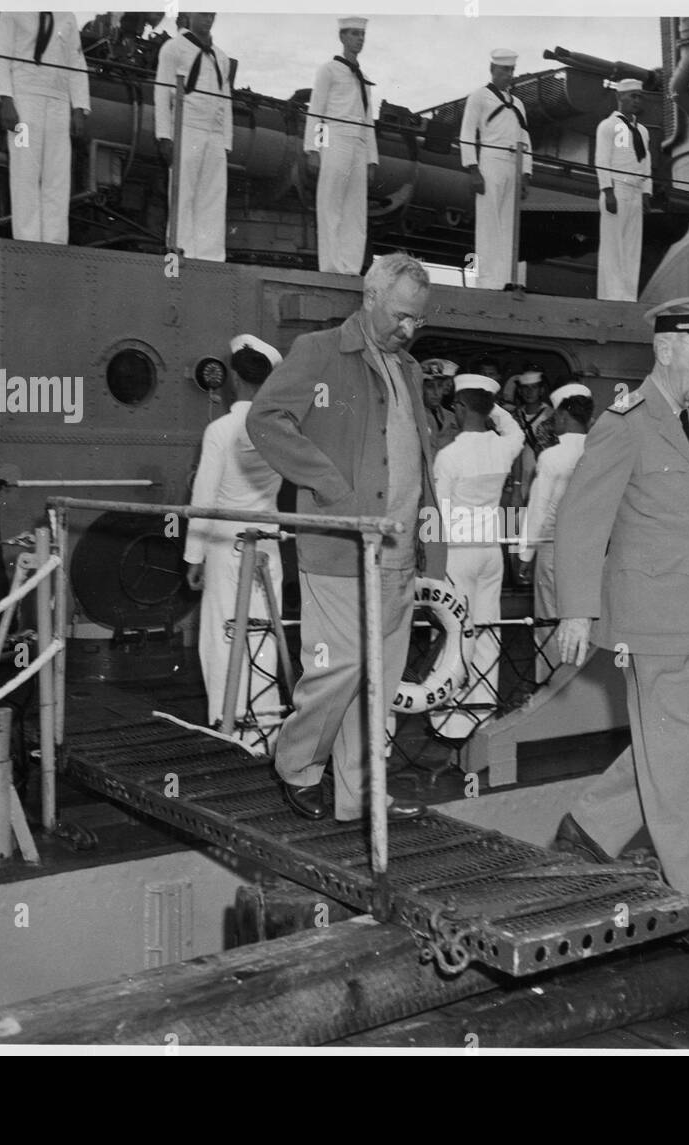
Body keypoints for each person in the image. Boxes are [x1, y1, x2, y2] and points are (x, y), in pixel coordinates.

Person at [551, 296, 689, 959]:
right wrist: (575, 610)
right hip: (654, 622)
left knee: (672, 744)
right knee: (679, 764)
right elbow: (581, 521)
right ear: (668, 348)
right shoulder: (626, 424)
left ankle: (588, 828)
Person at [246, 252, 443, 822]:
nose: (408, 330)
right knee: (338, 669)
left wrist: (431, 520)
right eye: (401, 316)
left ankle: (359, 798)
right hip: (339, 549)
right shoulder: (319, 351)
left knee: (378, 683)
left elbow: (418, 454)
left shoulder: (407, 368)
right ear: (371, 297)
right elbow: (267, 419)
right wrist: (330, 485)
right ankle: (297, 764)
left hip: (399, 554)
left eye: (418, 322)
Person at [185, 335, 285, 747]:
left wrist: (193, 556)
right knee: (263, 634)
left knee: (224, 636)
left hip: (225, 546)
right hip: (267, 545)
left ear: (234, 381)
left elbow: (204, 499)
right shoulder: (281, 429)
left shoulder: (221, 429)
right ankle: (266, 729)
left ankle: (232, 728)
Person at [428, 375, 525, 742]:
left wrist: (430, 564)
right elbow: (513, 428)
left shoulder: (450, 456)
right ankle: (481, 714)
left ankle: (449, 719)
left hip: (459, 552)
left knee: (456, 630)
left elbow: (438, 513)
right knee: (487, 630)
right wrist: (489, 405)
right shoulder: (504, 447)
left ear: (459, 407)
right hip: (490, 551)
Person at [0, 10, 90, 244]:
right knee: (24, 173)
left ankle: (54, 243)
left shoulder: (66, 15)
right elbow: (2, 53)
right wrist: (6, 99)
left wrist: (79, 107)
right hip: (24, 99)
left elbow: (76, 61)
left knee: (57, 178)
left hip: (58, 102)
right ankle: (27, 241)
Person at [517, 383, 593, 681]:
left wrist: (525, 554)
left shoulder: (551, 457)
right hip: (593, 550)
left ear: (562, 416)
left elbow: (538, 510)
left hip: (554, 548)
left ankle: (549, 685)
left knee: (549, 619)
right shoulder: (602, 453)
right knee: (585, 617)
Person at [154, 12, 232, 261]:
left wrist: (226, 141)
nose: (208, 17)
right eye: (202, 12)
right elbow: (162, 93)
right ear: (188, 13)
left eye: (212, 13)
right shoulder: (173, 48)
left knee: (213, 198)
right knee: (182, 197)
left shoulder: (220, 56)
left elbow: (226, 99)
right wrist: (164, 136)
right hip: (186, 128)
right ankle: (177, 260)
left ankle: (210, 260)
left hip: (214, 134)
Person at [304, 16, 378, 275]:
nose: (359, 39)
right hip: (335, 138)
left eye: (362, 34)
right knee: (331, 205)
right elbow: (317, 111)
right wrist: (315, 148)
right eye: (355, 34)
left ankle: (350, 266)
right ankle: (331, 266)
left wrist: (371, 158)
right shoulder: (329, 70)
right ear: (343, 37)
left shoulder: (364, 78)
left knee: (355, 211)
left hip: (358, 142)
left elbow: (368, 120)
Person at [460, 49, 533, 291]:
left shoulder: (519, 104)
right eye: (504, 70)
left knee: (508, 226)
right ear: (493, 70)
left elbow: (525, 138)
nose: (509, 75)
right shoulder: (479, 97)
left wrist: (526, 174)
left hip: (514, 164)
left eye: (512, 71)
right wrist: (473, 168)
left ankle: (505, 279)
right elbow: (468, 133)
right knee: (488, 225)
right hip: (490, 161)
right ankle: (486, 281)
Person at [596, 79, 652, 302]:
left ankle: (628, 297)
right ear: (620, 97)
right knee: (613, 248)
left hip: (636, 192)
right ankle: (612, 297)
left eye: (639, 96)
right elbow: (602, 159)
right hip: (617, 188)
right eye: (632, 96)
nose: (637, 101)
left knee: (631, 248)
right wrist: (607, 190)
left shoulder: (643, 130)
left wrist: (647, 192)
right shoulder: (608, 126)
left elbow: (646, 161)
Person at [504, 366, 555, 505]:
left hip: (541, 477)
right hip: (518, 477)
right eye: (525, 388)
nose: (529, 392)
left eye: (534, 388)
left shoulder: (551, 416)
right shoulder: (514, 417)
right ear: (520, 391)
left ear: (541, 390)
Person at [420, 357, 460, 453]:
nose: (436, 392)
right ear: (420, 388)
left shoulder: (453, 418)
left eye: (440, 386)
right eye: (430, 386)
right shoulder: (413, 417)